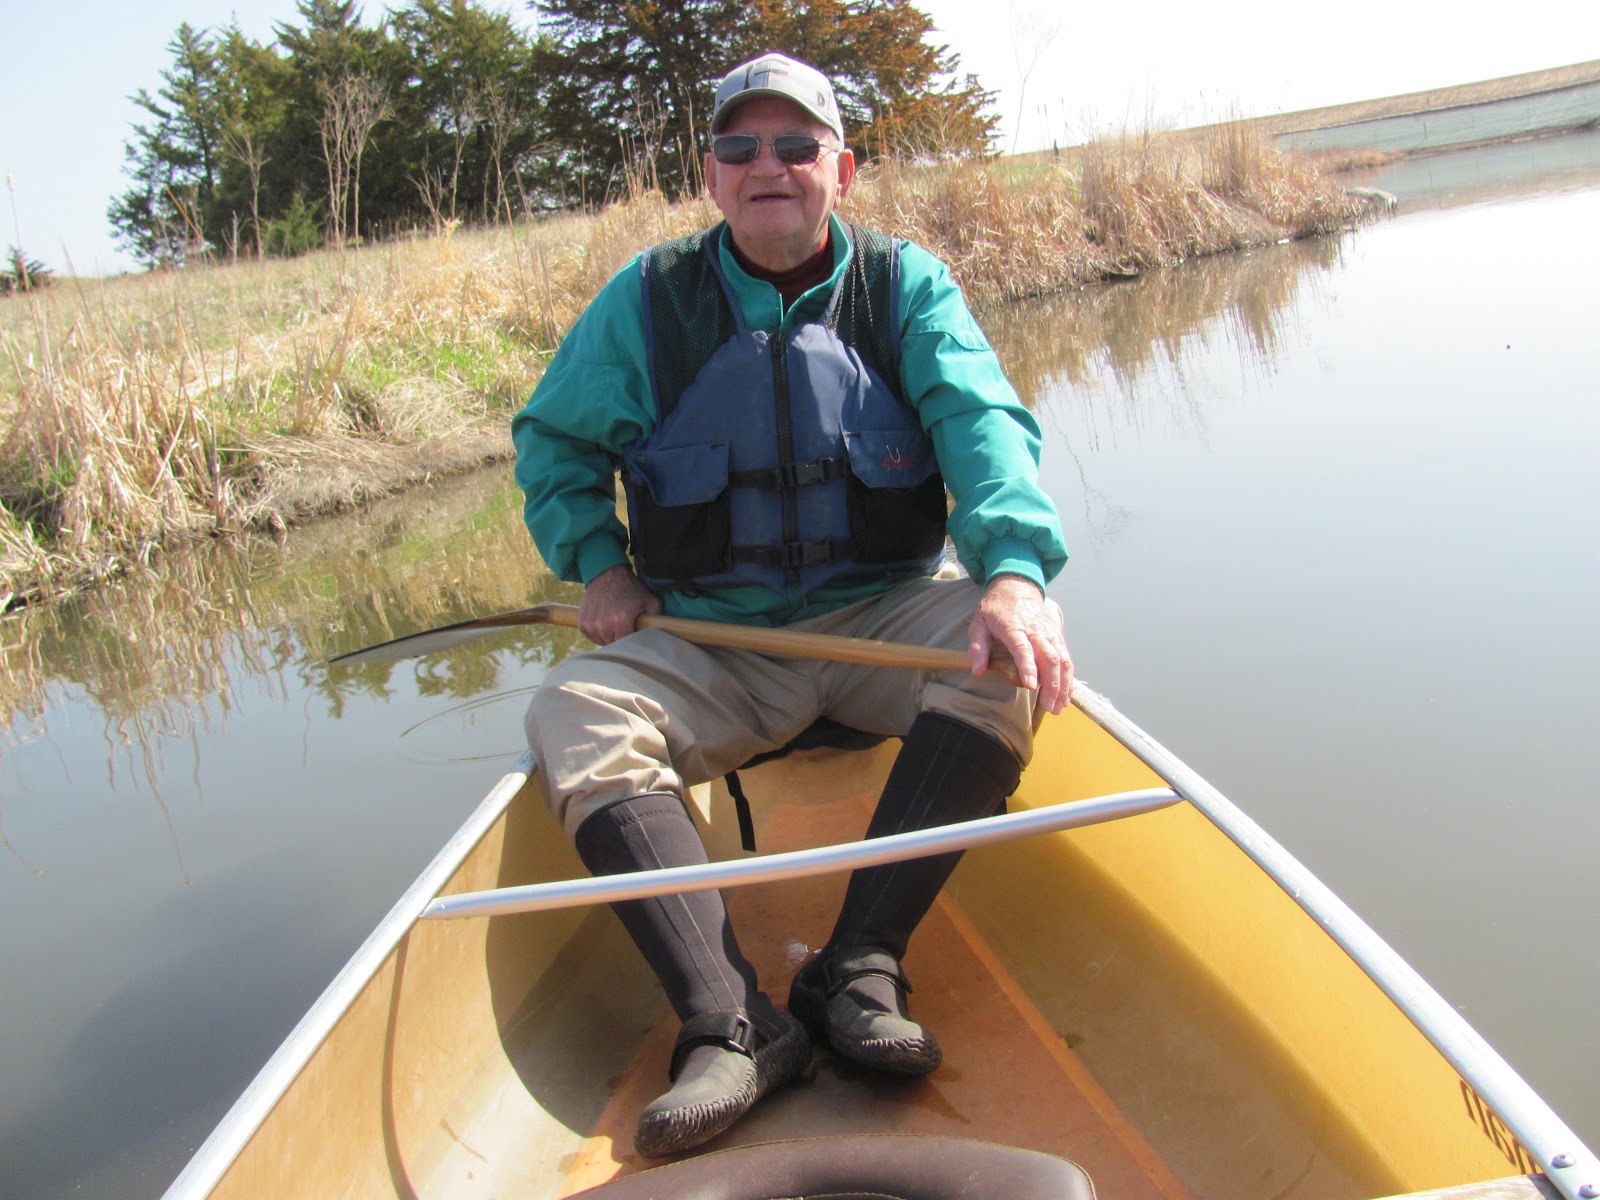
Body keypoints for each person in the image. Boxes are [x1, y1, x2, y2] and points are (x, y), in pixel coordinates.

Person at [511, 51, 1072, 1158]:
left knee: (1004, 661)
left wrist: (1012, 571)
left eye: (794, 144)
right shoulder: (648, 301)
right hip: (709, 635)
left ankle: (857, 967)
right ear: (713, 179)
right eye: (738, 148)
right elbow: (556, 443)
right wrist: (599, 564)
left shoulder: (905, 286)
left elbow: (984, 427)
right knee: (576, 713)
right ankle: (731, 1021)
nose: (766, 165)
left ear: (842, 170)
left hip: (876, 620)